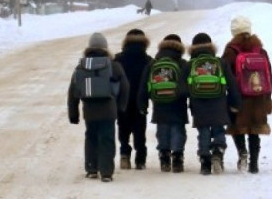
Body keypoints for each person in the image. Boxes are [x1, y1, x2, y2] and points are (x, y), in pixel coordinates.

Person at [68, 32, 130, 182]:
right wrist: (121, 106)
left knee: (91, 138)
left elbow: (73, 91)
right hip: (108, 109)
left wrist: (73, 113)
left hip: (89, 110)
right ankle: (106, 172)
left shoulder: (81, 66)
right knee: (107, 139)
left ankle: (91, 169)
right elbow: (125, 87)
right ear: (106, 48)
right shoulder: (113, 65)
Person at [222, 16, 272, 174]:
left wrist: (229, 96)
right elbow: (269, 75)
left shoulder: (231, 51)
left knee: (237, 128)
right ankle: (254, 164)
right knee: (254, 130)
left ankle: (242, 152)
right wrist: (267, 97)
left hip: (239, 97)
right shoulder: (260, 50)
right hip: (258, 97)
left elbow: (225, 74)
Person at [185, 32, 241, 175]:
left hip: (198, 104)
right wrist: (235, 103)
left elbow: (181, 87)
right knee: (218, 129)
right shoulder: (220, 62)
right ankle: (218, 151)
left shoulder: (190, 64)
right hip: (219, 104)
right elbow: (232, 84)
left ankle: (205, 162)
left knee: (203, 132)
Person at [137, 34, 189, 173]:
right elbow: (188, 85)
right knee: (178, 130)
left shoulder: (154, 63)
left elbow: (144, 85)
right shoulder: (182, 63)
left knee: (162, 130)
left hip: (159, 103)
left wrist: (143, 104)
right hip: (178, 104)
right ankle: (177, 158)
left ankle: (164, 157)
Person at [113, 29, 153, 170]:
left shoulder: (117, 59)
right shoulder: (148, 60)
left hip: (122, 100)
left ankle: (124, 155)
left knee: (123, 128)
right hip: (140, 100)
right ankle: (140, 159)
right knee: (139, 129)